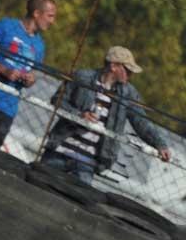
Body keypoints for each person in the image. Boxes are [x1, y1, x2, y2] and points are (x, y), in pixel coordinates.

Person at [42, 46, 171, 184]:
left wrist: (160, 144)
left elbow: (141, 122)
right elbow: (58, 100)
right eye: (127, 70)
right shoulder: (82, 76)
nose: (130, 75)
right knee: (38, 182)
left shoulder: (128, 94)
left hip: (87, 162)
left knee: (76, 198)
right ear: (114, 66)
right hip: (59, 149)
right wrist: (79, 115)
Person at [0, 0, 57, 148]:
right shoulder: (5, 26)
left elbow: (33, 73)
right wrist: (3, 69)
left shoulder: (39, 45)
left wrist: (30, 80)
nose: (52, 21)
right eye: (50, 16)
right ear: (36, 13)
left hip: (8, 109)